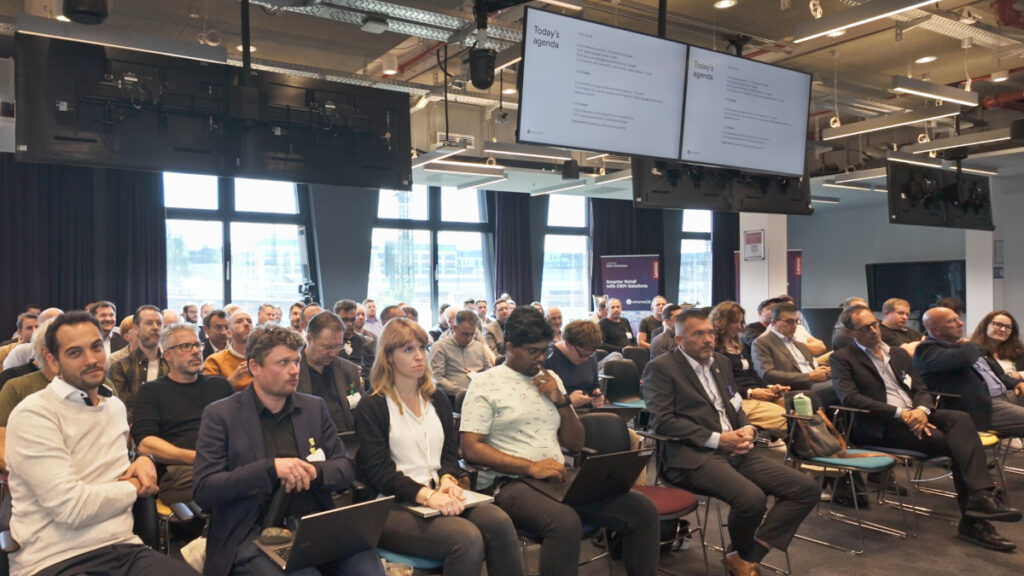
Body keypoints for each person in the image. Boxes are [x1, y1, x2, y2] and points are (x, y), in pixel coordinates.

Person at [461, 306, 659, 576]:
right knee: (564, 523)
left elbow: (576, 444)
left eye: (546, 350)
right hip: (507, 483)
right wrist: (530, 467)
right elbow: (471, 449)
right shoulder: (485, 384)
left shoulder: (550, 378)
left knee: (642, 509)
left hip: (556, 478)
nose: (541, 358)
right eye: (533, 351)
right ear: (510, 347)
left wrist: (562, 402)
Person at [6, 311, 191, 576]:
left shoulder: (113, 407)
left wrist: (144, 459)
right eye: (74, 353)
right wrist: (137, 485)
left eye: (95, 347)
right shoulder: (34, 414)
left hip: (124, 548)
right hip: (55, 558)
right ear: (52, 359)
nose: (91, 359)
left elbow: (114, 467)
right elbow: (73, 509)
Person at [193, 324, 384, 576]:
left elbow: (345, 468)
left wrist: (313, 472)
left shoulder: (313, 408)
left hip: (312, 525)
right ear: (254, 367)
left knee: (367, 569)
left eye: (295, 361)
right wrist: (270, 469)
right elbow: (205, 490)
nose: (294, 370)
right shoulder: (221, 415)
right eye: (283, 362)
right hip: (250, 530)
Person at [643, 309, 819, 576]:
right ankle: (743, 559)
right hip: (691, 456)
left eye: (710, 332)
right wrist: (718, 440)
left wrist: (747, 427)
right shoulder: (661, 368)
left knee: (804, 488)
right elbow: (662, 421)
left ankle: (744, 556)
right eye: (698, 334)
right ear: (679, 340)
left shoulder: (720, 363)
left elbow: (734, 405)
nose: (707, 339)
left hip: (735, 450)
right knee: (752, 499)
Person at [832, 305, 1021, 551]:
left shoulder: (898, 354)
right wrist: (902, 413)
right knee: (957, 445)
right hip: (881, 424)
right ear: (850, 332)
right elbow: (850, 398)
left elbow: (920, 389)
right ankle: (976, 517)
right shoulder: (842, 358)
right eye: (865, 327)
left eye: (875, 324)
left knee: (960, 419)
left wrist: (921, 410)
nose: (874, 330)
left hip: (917, 415)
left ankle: (980, 500)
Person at [354, 317, 522, 575]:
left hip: (438, 495)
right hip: (394, 504)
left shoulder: (438, 398)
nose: (419, 356)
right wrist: (428, 496)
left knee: (499, 522)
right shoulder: (373, 405)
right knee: (466, 539)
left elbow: (449, 456)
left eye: (422, 348)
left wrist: (447, 479)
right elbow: (379, 473)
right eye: (408, 349)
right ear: (388, 357)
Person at [131, 323, 233, 505]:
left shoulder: (220, 386)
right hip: (182, 471)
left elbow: (241, 428)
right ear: (167, 355)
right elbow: (145, 443)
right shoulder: (152, 392)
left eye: (197, 345)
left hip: (225, 465)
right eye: (185, 346)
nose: (195, 351)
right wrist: (199, 457)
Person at [915, 307, 1024, 436]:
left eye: (958, 319)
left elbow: (997, 375)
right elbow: (965, 358)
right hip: (983, 406)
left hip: (1006, 395)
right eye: (952, 321)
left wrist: (1016, 383)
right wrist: (968, 343)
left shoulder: (963, 347)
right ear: (935, 330)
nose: (961, 323)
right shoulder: (927, 350)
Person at [709, 302, 787, 436]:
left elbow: (752, 374)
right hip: (738, 398)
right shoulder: (713, 350)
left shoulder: (738, 345)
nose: (739, 327)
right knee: (785, 419)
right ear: (721, 322)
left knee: (797, 408)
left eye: (741, 322)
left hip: (755, 394)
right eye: (734, 322)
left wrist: (769, 387)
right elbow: (721, 384)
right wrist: (750, 392)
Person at [299, 311, 364, 434]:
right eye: (327, 348)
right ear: (308, 338)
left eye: (338, 347)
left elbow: (360, 414)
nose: (333, 353)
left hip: (347, 439)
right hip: (310, 442)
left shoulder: (349, 370)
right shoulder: (293, 372)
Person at [751, 302, 831, 391]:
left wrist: (821, 370)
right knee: (840, 386)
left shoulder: (798, 344)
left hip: (816, 383)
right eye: (789, 322)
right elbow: (768, 374)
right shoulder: (761, 343)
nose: (795, 326)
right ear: (774, 322)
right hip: (796, 388)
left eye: (797, 321)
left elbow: (807, 366)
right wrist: (809, 376)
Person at [109, 305, 168, 424]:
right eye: (149, 323)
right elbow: (123, 409)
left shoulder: (173, 364)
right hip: (134, 428)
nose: (155, 327)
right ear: (135, 328)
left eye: (159, 323)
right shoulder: (120, 366)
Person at [429, 310, 492, 399]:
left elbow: (488, 370)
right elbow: (437, 378)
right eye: (465, 334)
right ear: (454, 328)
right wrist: (460, 391)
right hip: (453, 397)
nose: (468, 338)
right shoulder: (440, 347)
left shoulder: (479, 347)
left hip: (480, 393)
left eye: (472, 334)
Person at [545, 320, 604, 411]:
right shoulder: (547, 358)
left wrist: (596, 395)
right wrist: (567, 402)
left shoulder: (590, 357)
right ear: (567, 343)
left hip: (587, 412)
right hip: (560, 415)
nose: (585, 359)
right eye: (582, 354)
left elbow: (594, 385)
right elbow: (539, 401)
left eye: (590, 354)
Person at [203, 309, 253, 391]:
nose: (246, 324)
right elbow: (210, 396)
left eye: (249, 321)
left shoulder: (263, 358)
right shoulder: (214, 361)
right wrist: (233, 379)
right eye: (239, 321)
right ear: (229, 333)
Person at [970, 310, 1024, 382]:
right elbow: (993, 379)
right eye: (998, 324)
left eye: (1008, 327)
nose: (1003, 329)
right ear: (985, 325)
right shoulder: (974, 351)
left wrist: (1020, 375)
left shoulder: (1018, 351)